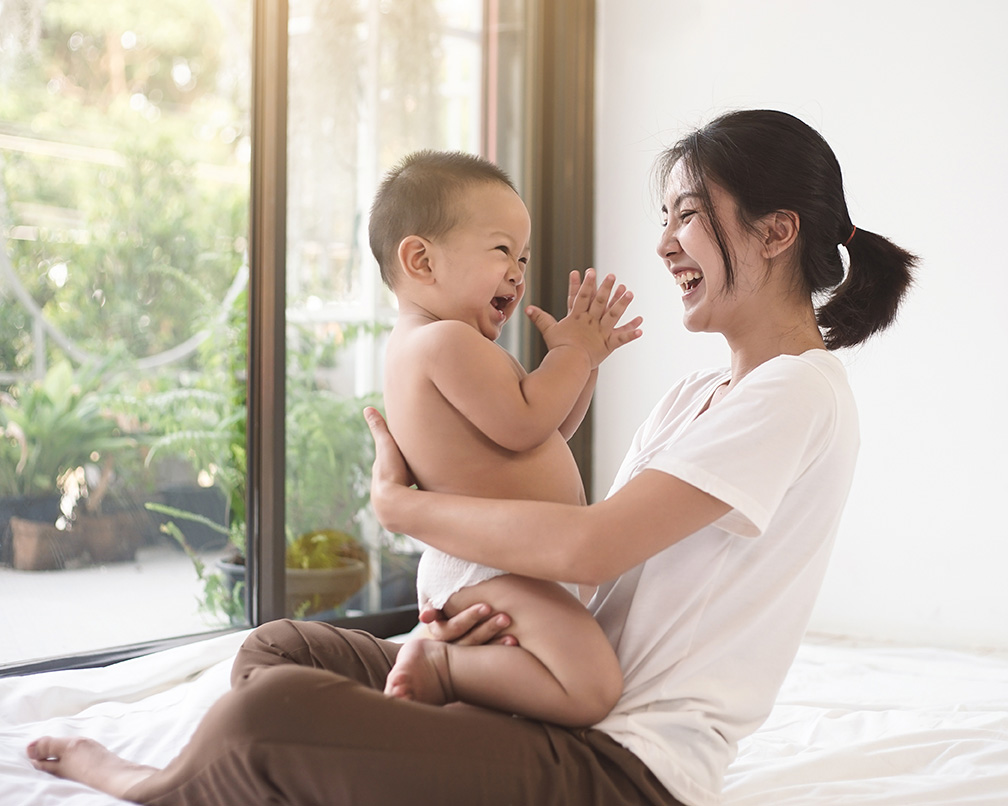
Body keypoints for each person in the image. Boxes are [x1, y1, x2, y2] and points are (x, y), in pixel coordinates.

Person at [27, 109, 915, 806]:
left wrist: (404, 509)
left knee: (267, 714)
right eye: (665, 218)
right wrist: (474, 621)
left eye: (688, 215)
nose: (664, 244)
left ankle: (144, 781)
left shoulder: (798, 392)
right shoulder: (697, 396)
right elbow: (586, 561)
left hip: (622, 761)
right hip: (539, 680)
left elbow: (588, 547)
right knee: (277, 649)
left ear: (774, 231)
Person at [369, 149, 640, 725]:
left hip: (504, 562)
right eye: (501, 250)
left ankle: (465, 688)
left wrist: (585, 365)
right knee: (590, 686)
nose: (518, 271)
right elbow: (526, 424)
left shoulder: (445, 346)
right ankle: (438, 667)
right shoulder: (444, 342)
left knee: (566, 676)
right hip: (491, 569)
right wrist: (569, 352)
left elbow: (548, 433)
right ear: (421, 260)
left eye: (524, 255)